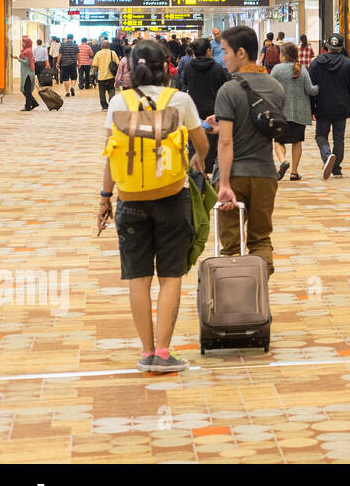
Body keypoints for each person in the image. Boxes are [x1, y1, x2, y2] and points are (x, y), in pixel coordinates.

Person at [97, 39, 209, 374]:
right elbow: (202, 146)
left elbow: (110, 155)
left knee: (138, 276)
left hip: (130, 201)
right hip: (173, 197)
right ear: (167, 66)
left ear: (130, 66)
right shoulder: (180, 100)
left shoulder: (118, 101)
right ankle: (163, 353)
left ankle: (145, 352)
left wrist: (105, 199)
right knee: (171, 275)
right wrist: (195, 159)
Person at [209, 25, 285, 277]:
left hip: (234, 177)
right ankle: (257, 294)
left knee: (230, 246)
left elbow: (227, 142)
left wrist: (224, 184)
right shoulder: (275, 87)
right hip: (265, 174)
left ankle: (233, 302)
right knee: (261, 240)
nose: (223, 57)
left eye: (226, 51)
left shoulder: (229, 90)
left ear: (241, 53)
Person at [308, 33, 350, 178]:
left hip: (322, 106)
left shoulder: (316, 63)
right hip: (341, 106)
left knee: (321, 135)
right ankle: (336, 168)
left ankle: (327, 157)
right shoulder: (348, 64)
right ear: (341, 47)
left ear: (326, 46)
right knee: (339, 138)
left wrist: (311, 108)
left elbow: (310, 88)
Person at [271, 41, 317, 181]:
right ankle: (294, 172)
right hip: (299, 112)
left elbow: (270, 88)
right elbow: (311, 90)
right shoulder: (302, 69)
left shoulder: (277, 69)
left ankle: (283, 161)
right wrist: (321, 86)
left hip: (281, 112)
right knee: (297, 141)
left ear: (284, 55)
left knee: (278, 141)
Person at [183, 37, 227, 174]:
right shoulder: (218, 68)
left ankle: (196, 173)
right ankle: (208, 173)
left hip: (194, 111)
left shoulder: (189, 68)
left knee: (194, 143)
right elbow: (224, 89)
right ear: (208, 51)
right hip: (214, 111)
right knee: (212, 145)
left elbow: (185, 84)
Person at [91, 39, 120, 110]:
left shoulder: (98, 53)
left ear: (101, 46)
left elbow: (95, 65)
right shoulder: (112, 53)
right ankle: (111, 98)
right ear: (109, 46)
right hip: (111, 75)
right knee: (111, 89)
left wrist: (93, 74)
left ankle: (104, 106)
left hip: (101, 76)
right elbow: (118, 63)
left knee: (102, 91)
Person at [14, 36, 38, 111]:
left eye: (24, 42)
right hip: (26, 73)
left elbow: (27, 62)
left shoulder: (28, 51)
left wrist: (18, 59)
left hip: (28, 74)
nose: (23, 43)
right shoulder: (26, 50)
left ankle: (28, 106)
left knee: (26, 90)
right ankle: (34, 103)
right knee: (26, 90)